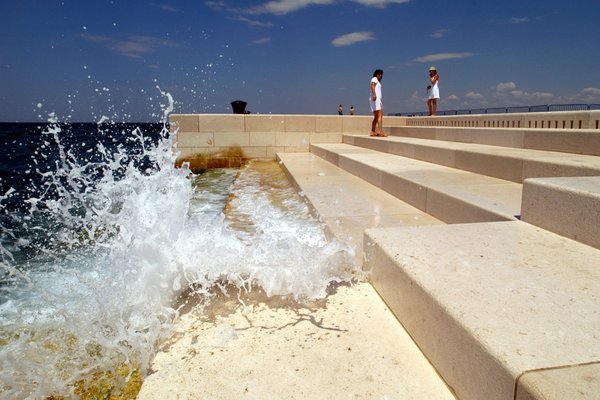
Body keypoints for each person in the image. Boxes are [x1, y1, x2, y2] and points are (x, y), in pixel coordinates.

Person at [369, 69, 385, 136]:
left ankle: (372, 131)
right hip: (376, 99)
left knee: (376, 116)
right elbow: (372, 85)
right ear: (376, 74)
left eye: (381, 74)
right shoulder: (374, 79)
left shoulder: (377, 81)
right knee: (380, 115)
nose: (380, 75)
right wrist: (375, 94)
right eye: (379, 74)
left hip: (374, 99)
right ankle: (380, 131)